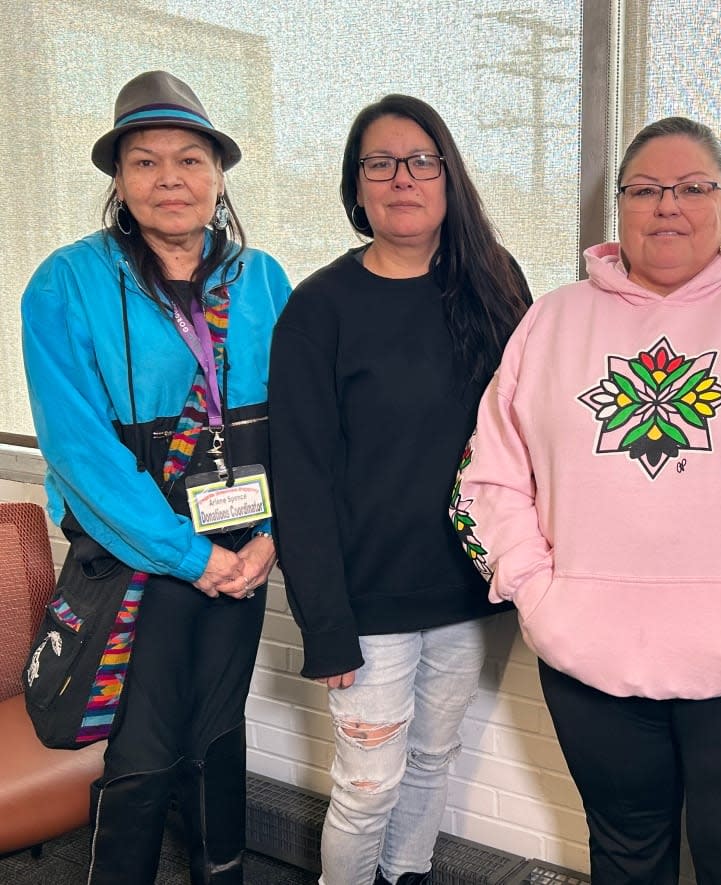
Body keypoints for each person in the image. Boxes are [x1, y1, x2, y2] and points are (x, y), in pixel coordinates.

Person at [451, 116, 721, 884]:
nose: (668, 205)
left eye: (694, 187)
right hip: (590, 659)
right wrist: (540, 595)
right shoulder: (552, 321)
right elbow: (488, 478)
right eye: (645, 189)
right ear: (619, 211)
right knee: (626, 860)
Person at [20, 70, 291, 884]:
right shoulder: (65, 283)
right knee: (140, 745)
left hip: (244, 551)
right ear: (118, 179)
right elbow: (81, 454)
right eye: (145, 161)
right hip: (138, 555)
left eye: (189, 159)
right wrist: (191, 557)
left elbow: (300, 428)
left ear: (217, 175)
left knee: (217, 732)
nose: (169, 178)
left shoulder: (263, 278)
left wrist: (273, 537)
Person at [267, 94, 531, 885]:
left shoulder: (493, 284)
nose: (402, 178)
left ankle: (406, 876)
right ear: (356, 189)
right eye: (379, 164)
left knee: (432, 762)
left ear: (448, 177)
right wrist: (325, 623)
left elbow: (532, 423)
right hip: (366, 604)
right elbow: (300, 474)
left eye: (421, 160)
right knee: (366, 786)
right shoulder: (319, 309)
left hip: (464, 589)